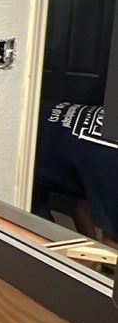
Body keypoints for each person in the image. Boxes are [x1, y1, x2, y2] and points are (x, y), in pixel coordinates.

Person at [32, 101, 118, 246]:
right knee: (41, 239)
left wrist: (90, 248)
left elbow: (81, 205)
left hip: (45, 124)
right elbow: (112, 243)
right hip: (25, 157)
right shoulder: (112, 170)